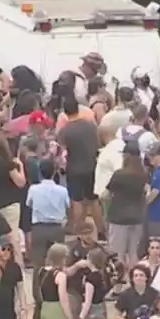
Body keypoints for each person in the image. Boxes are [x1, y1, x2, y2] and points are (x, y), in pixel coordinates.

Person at [57, 98, 102, 231]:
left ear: (65, 112)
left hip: (74, 169)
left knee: (76, 201)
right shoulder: (91, 126)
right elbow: (98, 144)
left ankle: (75, 229)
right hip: (92, 167)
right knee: (93, 200)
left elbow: (62, 152)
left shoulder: (64, 131)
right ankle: (101, 230)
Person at [103, 148, 149, 267]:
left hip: (118, 217)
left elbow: (105, 195)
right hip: (137, 217)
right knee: (133, 253)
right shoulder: (143, 175)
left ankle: (119, 279)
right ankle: (134, 277)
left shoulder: (119, 175)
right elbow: (146, 193)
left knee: (117, 253)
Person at [26, 157, 68, 269]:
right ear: (54, 172)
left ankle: (36, 286)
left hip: (39, 228)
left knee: (38, 263)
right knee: (58, 262)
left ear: (39, 172)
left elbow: (29, 204)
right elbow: (68, 206)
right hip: (57, 228)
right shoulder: (62, 190)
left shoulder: (33, 189)